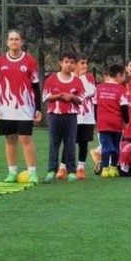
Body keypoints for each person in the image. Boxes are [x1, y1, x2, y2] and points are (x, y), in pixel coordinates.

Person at [0, 29, 42, 183]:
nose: (14, 42)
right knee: (10, 139)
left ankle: (32, 172)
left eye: (17, 39)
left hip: (25, 109)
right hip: (6, 109)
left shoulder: (30, 61)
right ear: (7, 42)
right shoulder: (0, 62)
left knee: (25, 138)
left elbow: (36, 87)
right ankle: (12, 172)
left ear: (21, 42)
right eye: (11, 39)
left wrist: (38, 108)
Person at [42, 51, 85, 182]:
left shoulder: (77, 81)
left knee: (70, 144)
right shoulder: (51, 79)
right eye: (66, 62)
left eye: (72, 62)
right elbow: (45, 97)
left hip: (71, 116)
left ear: (75, 65)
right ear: (60, 63)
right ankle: (51, 170)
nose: (69, 65)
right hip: (54, 116)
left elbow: (81, 99)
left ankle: (71, 171)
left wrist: (71, 97)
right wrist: (58, 96)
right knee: (54, 143)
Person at [94, 63, 131, 177]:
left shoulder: (99, 88)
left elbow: (95, 105)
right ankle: (113, 168)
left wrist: (97, 119)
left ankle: (105, 169)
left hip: (103, 122)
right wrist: (127, 120)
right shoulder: (121, 89)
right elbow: (124, 107)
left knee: (105, 146)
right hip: (116, 122)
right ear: (119, 75)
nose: (124, 78)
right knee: (116, 146)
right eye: (124, 75)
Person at [73, 57, 97, 181]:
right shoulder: (70, 77)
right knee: (70, 142)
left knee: (84, 143)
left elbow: (90, 91)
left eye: (86, 63)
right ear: (75, 64)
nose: (85, 66)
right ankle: (64, 167)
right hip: (74, 115)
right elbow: (73, 93)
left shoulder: (89, 78)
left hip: (87, 117)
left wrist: (82, 77)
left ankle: (81, 168)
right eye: (82, 63)